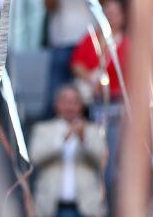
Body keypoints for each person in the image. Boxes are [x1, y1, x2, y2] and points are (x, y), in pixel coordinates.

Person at [29, 86, 107, 217]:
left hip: (86, 208)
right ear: (56, 105)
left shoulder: (93, 130)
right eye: (65, 101)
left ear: (81, 106)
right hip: (52, 208)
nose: (69, 106)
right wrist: (63, 138)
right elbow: (36, 157)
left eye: (74, 102)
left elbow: (101, 160)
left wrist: (83, 139)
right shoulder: (43, 129)